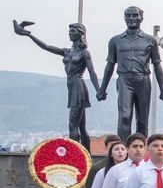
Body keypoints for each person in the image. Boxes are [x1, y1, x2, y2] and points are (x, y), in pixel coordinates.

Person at [13, 21, 100, 150]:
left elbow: (92, 72)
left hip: (78, 87)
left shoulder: (84, 53)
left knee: (73, 125)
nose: (70, 33)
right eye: (69, 31)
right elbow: (46, 46)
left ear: (81, 34)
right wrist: (28, 35)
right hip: (71, 87)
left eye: (73, 31)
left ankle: (74, 155)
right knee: (81, 125)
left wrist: (99, 90)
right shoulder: (67, 51)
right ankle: (86, 155)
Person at [97, 6, 163, 140]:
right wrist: (102, 89)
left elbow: (157, 66)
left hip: (143, 80)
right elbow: (109, 66)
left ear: (141, 18)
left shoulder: (150, 40)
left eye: (135, 15)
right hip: (124, 80)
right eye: (128, 16)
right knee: (124, 116)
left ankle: (140, 150)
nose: (131, 18)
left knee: (142, 120)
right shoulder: (115, 40)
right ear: (124, 18)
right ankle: (123, 150)